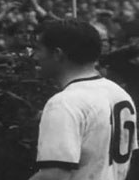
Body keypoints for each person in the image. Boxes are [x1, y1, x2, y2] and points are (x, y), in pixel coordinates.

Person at [30, 18, 138, 180]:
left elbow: (54, 175)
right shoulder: (119, 93)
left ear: (58, 54)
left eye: (38, 49)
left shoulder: (64, 102)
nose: (34, 56)